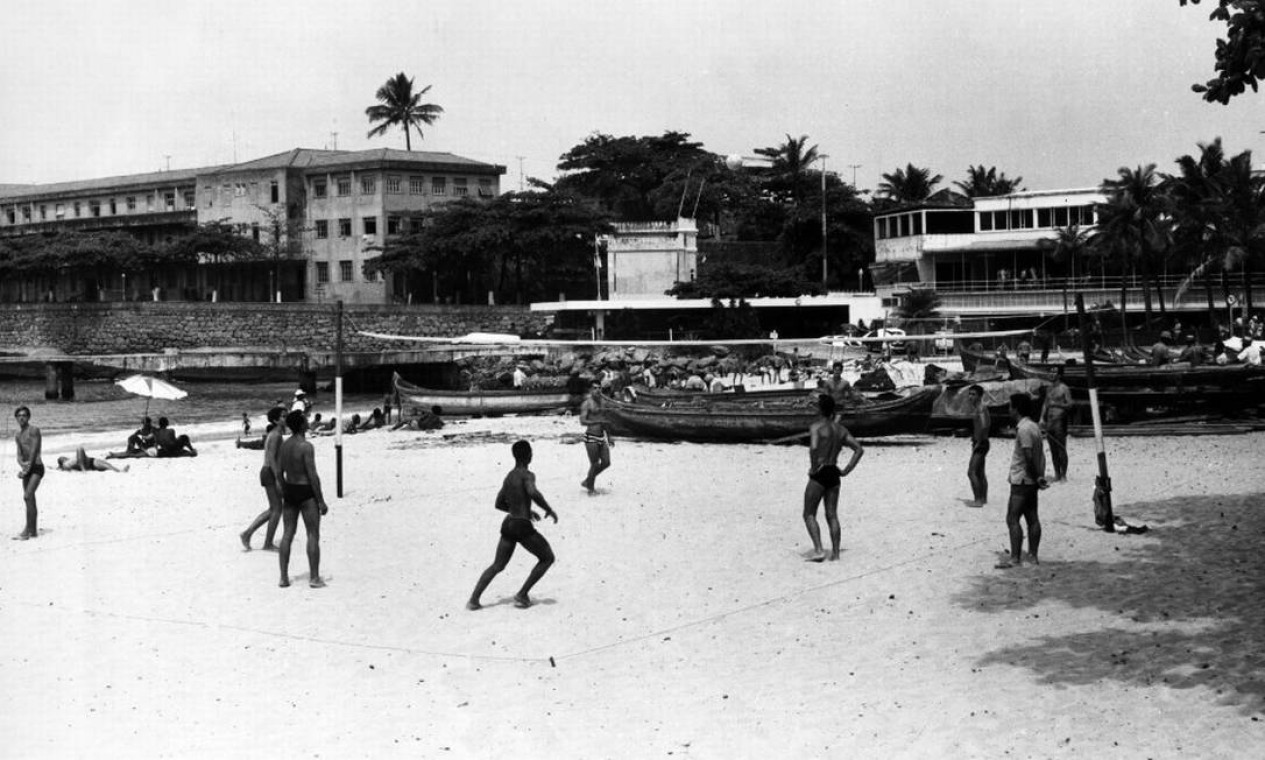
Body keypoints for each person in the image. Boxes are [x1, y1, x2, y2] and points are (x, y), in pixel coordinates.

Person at [467, 439, 558, 610]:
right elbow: (532, 492)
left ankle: (473, 600)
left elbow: (499, 503)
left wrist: (524, 510)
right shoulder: (527, 475)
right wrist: (548, 509)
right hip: (521, 526)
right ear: (530, 455)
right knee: (547, 558)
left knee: (497, 565)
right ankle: (522, 594)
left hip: (508, 524)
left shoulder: (509, 477)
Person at [802, 394, 864, 562]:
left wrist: (814, 468)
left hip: (820, 472)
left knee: (809, 514)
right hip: (834, 472)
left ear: (820, 409)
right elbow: (858, 449)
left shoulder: (816, 427)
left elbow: (814, 448)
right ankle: (836, 554)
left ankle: (819, 549)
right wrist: (846, 470)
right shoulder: (840, 429)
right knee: (832, 515)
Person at [277, 410, 328, 588]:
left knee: (287, 534)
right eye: (305, 420)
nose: (308, 422)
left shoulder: (284, 445)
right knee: (312, 534)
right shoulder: (306, 446)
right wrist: (320, 500)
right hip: (306, 491)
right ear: (301, 425)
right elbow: (313, 476)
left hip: (290, 490)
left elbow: (278, 472)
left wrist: (284, 489)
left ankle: (283, 577)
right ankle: (314, 578)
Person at [997, 394, 1049, 569]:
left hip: (1022, 479)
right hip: (1030, 480)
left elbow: (1027, 455)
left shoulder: (1024, 429)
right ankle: (1033, 555)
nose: (1009, 410)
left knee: (1012, 518)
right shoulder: (1033, 426)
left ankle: (1015, 558)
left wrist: (1037, 477)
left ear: (1017, 408)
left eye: (1010, 406)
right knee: (1032, 518)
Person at [240, 406, 287, 552]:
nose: (286, 418)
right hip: (270, 472)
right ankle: (266, 543)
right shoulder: (276, 435)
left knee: (274, 509)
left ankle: (248, 534)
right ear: (275, 420)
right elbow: (272, 458)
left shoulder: (275, 433)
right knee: (277, 509)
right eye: (283, 417)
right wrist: (279, 478)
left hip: (268, 472)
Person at [13, 406, 43, 541]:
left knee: (27, 495)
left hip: (36, 468)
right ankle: (33, 531)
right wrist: (21, 464)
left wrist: (27, 468)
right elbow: (19, 454)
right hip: (27, 469)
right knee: (29, 499)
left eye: (24, 415)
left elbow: (34, 451)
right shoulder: (17, 435)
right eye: (19, 415)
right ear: (16, 418)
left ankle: (26, 531)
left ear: (28, 417)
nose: (21, 417)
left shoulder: (34, 430)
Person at [1041, 366, 1073, 482]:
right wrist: (1041, 418)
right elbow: (1045, 404)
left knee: (1061, 448)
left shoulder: (1064, 388)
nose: (1052, 374)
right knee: (1053, 449)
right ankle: (1057, 474)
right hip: (1049, 421)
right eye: (1051, 371)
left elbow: (1070, 404)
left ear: (1059, 375)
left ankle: (1064, 475)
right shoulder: (1048, 388)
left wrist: (1057, 404)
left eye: (1054, 372)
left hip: (1060, 420)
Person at [579, 382, 611, 494]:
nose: (597, 390)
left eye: (599, 388)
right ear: (590, 390)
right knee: (595, 464)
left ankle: (588, 480)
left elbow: (605, 421)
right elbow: (582, 421)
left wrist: (610, 437)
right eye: (595, 388)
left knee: (606, 462)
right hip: (591, 436)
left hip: (602, 436)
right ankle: (590, 488)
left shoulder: (603, 403)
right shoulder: (587, 404)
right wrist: (597, 421)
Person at [966, 385, 991, 508]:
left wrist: (979, 441)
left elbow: (985, 425)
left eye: (973, 394)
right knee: (980, 472)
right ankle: (983, 498)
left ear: (980, 396)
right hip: (981, 442)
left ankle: (978, 500)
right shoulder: (978, 408)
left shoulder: (980, 408)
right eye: (970, 394)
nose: (970, 396)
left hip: (981, 444)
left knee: (971, 472)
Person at [57, 447, 128, 473]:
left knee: (107, 464)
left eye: (63, 457)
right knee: (79, 448)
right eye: (62, 458)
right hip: (85, 463)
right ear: (61, 461)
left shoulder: (69, 461)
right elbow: (60, 468)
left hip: (90, 462)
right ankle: (83, 468)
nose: (63, 457)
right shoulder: (65, 464)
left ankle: (120, 471)